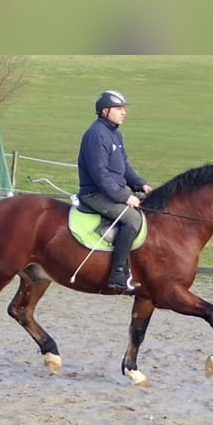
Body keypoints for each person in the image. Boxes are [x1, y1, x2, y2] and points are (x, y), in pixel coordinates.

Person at [77, 90, 153, 292]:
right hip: (95, 194)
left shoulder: (115, 134)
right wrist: (125, 197)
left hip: (112, 191)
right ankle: (117, 274)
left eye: (124, 109)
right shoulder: (96, 135)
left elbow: (125, 167)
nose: (124, 113)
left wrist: (142, 185)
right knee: (132, 219)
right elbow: (100, 175)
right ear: (105, 111)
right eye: (119, 109)